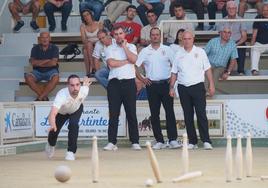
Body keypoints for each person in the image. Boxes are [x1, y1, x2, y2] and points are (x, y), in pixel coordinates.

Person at [169, 30, 215, 150]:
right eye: (184, 39)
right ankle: (192, 141)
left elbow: (208, 69)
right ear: (182, 40)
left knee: (201, 114)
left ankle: (206, 141)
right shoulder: (178, 53)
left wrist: (211, 84)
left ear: (193, 39)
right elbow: (174, 72)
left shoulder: (200, 52)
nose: (187, 41)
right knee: (188, 115)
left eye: (189, 38)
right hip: (183, 87)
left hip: (198, 86)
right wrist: (171, 87)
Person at [136, 27, 181, 149]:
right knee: (154, 114)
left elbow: (175, 66)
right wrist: (143, 79)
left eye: (157, 35)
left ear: (160, 36)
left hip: (166, 85)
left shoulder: (167, 50)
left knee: (169, 112)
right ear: (150, 37)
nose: (155, 36)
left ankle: (172, 139)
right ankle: (159, 140)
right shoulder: (145, 51)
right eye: (153, 35)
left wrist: (171, 80)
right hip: (152, 86)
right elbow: (135, 67)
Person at [103, 25, 141, 151]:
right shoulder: (109, 48)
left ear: (124, 34)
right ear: (113, 36)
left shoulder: (132, 47)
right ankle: (111, 142)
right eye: (116, 34)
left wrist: (125, 47)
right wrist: (126, 61)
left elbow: (134, 60)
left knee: (131, 113)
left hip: (129, 83)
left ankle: (135, 141)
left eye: (121, 33)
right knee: (113, 113)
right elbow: (111, 64)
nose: (119, 36)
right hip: (114, 83)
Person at [45, 75, 92, 161]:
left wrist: (86, 82)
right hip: (62, 112)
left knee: (74, 125)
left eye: (77, 85)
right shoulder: (61, 95)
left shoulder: (84, 91)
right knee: (54, 131)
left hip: (76, 109)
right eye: (72, 85)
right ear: (68, 85)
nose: (75, 88)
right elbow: (53, 113)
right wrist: (52, 124)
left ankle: (71, 152)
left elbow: (86, 85)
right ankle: (51, 144)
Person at [24, 32, 59, 101]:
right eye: (43, 37)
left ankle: (40, 98)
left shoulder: (55, 48)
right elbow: (33, 63)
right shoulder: (35, 48)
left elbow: (53, 63)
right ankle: (44, 97)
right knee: (28, 77)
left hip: (51, 71)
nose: (45, 39)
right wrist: (47, 61)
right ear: (39, 39)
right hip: (37, 71)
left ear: (50, 38)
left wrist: (39, 62)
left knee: (56, 78)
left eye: (46, 37)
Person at [204, 26, 238, 93]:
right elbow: (204, 54)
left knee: (215, 75)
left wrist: (228, 72)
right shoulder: (213, 41)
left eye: (229, 33)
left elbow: (233, 60)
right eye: (224, 32)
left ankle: (209, 92)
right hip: (209, 64)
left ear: (231, 34)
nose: (226, 34)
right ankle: (205, 92)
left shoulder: (233, 44)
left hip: (221, 67)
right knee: (206, 74)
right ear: (220, 33)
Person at [218, 1, 247, 75]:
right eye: (229, 8)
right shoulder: (222, 21)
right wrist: (229, 44)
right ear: (227, 9)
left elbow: (244, 37)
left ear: (236, 9)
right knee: (223, 46)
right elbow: (221, 36)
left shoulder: (241, 20)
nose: (231, 10)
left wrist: (235, 45)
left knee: (242, 45)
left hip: (238, 43)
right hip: (226, 43)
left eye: (233, 8)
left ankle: (241, 70)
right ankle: (226, 70)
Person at [80, 9, 103, 77]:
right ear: (83, 18)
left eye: (88, 14)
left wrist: (92, 41)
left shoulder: (99, 23)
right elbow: (84, 40)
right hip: (88, 45)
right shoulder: (82, 26)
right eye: (84, 16)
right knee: (88, 45)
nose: (86, 17)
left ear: (91, 15)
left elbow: (101, 37)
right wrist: (90, 42)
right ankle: (92, 70)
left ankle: (90, 70)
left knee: (85, 51)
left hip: (99, 44)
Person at [250, 4, 268, 75]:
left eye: (267, 10)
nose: (265, 12)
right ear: (261, 11)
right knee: (254, 48)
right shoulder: (258, 17)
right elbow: (254, 34)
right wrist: (251, 45)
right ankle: (254, 69)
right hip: (260, 43)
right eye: (264, 10)